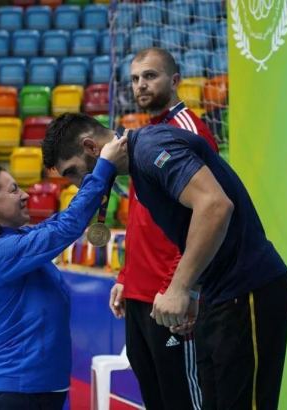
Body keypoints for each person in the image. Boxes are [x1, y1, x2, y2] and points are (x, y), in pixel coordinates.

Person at [42, 113, 287, 410]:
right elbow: (192, 227)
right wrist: (195, 289)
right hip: (218, 294)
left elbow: (215, 206)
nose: (77, 184)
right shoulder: (138, 164)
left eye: (73, 172)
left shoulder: (150, 148)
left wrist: (179, 287)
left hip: (248, 289)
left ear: (90, 146)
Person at [0, 135, 127, 410]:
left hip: (43, 391)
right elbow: (66, 227)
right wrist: (103, 166)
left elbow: (62, 221)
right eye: (13, 190)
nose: (25, 195)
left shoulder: (19, 239)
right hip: (19, 396)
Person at [108, 47, 218, 410]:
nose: (141, 85)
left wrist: (186, 289)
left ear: (175, 81)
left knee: (183, 399)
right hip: (141, 293)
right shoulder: (145, 135)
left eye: (150, 76)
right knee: (155, 399)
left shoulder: (188, 130)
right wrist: (126, 276)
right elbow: (142, 218)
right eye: (136, 79)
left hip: (170, 297)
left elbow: (206, 215)